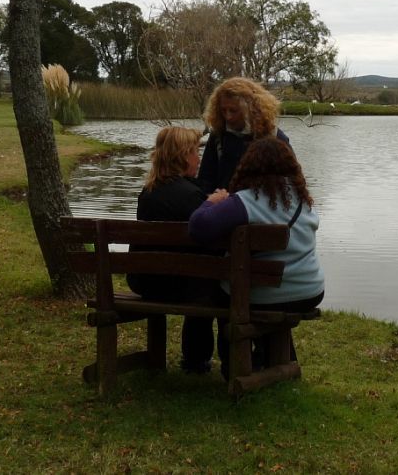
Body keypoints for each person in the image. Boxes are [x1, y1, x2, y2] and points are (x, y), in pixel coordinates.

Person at [189, 136, 325, 378]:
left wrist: (211, 202)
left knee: (226, 289)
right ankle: (273, 362)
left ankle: (233, 365)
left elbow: (199, 227)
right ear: (290, 166)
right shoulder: (304, 200)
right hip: (309, 292)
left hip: (265, 294)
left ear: (248, 166)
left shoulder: (245, 201)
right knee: (242, 287)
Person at [127, 126, 216, 374]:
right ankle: (196, 360)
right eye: (195, 152)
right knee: (208, 284)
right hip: (181, 287)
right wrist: (214, 204)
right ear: (183, 155)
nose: (199, 158)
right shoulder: (193, 196)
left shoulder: (148, 193)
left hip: (144, 282)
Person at [197, 77, 291, 194]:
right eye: (223, 110)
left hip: (262, 208)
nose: (228, 116)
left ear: (250, 109)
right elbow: (205, 180)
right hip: (224, 207)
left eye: (233, 110)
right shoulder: (218, 136)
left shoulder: (274, 136)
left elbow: (292, 182)